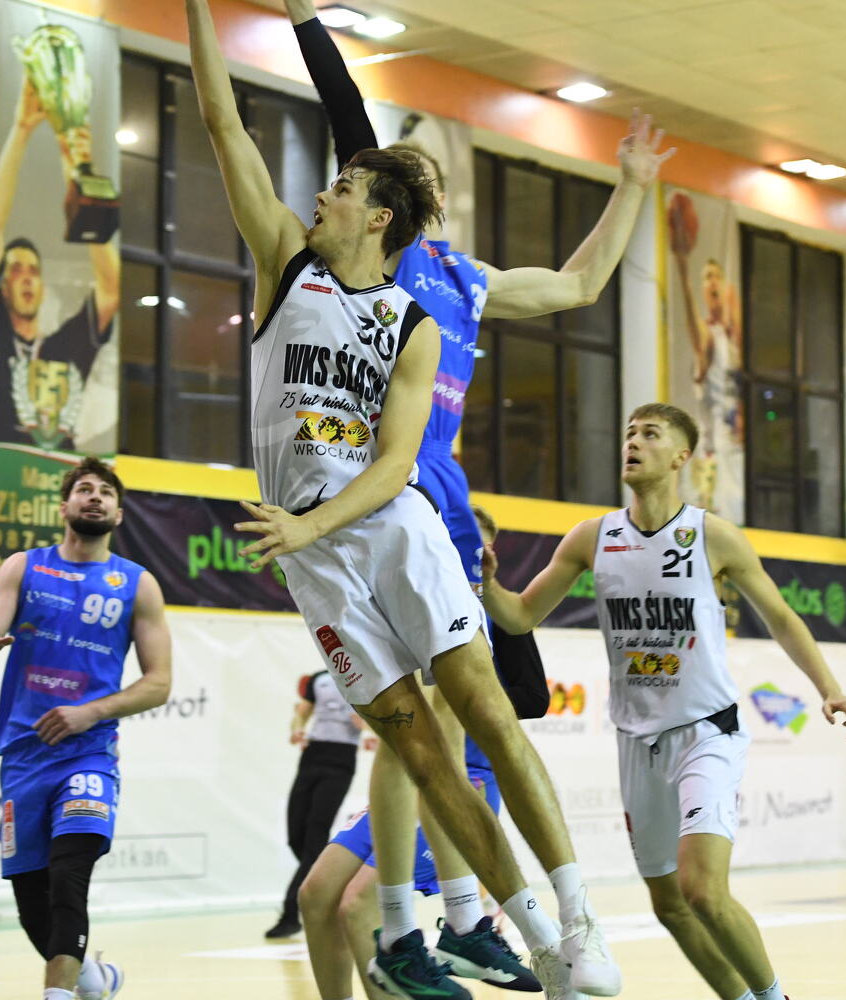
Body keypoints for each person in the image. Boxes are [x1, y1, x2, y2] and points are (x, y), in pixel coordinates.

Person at [186, 2, 620, 995]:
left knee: (486, 716)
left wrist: (308, 522)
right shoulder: (283, 264)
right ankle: (529, 938)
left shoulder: (413, 321)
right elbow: (220, 120)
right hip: (318, 561)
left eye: (341, 186)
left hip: (391, 528)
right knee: (420, 754)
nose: (321, 192)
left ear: (378, 216)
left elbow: (393, 467)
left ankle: (579, 921)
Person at [283, 6, 672, 995]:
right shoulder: (379, 258)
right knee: (417, 722)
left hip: (444, 502)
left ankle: (450, 921)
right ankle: (433, 922)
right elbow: (345, 109)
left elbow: (581, 285)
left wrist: (632, 186)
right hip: (376, 493)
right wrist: (305, 19)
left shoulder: (467, 278)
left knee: (453, 722)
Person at [481, 403, 846, 1000]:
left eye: (650, 434)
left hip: (705, 731)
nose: (633, 442)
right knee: (670, 906)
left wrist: (829, 687)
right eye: (629, 433)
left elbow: (782, 618)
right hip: (637, 742)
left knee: (703, 890)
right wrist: (486, 584)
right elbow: (521, 615)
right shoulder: (592, 537)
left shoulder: (712, 536)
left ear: (682, 456)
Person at [297, 505, 550, 999]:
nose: (466, 552)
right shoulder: (406, 596)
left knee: (358, 905)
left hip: (465, 774)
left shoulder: (495, 613)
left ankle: (454, 937)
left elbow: (534, 698)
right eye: (455, 541)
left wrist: (468, 695)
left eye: (476, 545)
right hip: (411, 773)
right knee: (316, 895)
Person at [0, 457, 172, 1000]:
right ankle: (93, 980)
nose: (94, 496)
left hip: (89, 754)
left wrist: (91, 713)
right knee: (31, 902)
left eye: (105, 491)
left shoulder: (137, 584)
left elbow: (159, 684)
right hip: (24, 757)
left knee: (68, 875)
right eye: (84, 488)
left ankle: (58, 994)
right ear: (64, 507)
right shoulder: (23, 567)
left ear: (119, 514)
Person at [0, 76, 121, 451]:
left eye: (33, 271)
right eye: (15, 270)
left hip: (64, 477)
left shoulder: (64, 345)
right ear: (3, 287)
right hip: (0, 475)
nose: (26, 278)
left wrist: (78, 176)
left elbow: (110, 290)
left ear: (43, 288)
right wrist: (21, 130)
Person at [266, 665, 373, 940]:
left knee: (316, 831)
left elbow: (373, 717)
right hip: (313, 754)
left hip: (341, 759)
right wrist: (297, 729)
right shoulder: (320, 679)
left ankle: (291, 913)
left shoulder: (363, 675)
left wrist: (369, 731)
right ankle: (331, 881)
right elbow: (303, 711)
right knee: (296, 835)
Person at [669, 239, 743, 520]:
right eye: (707, 277)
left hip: (734, 453)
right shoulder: (708, 337)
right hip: (711, 455)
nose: (713, 282)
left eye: (717, 276)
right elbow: (692, 322)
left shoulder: (736, 345)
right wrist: (682, 267)